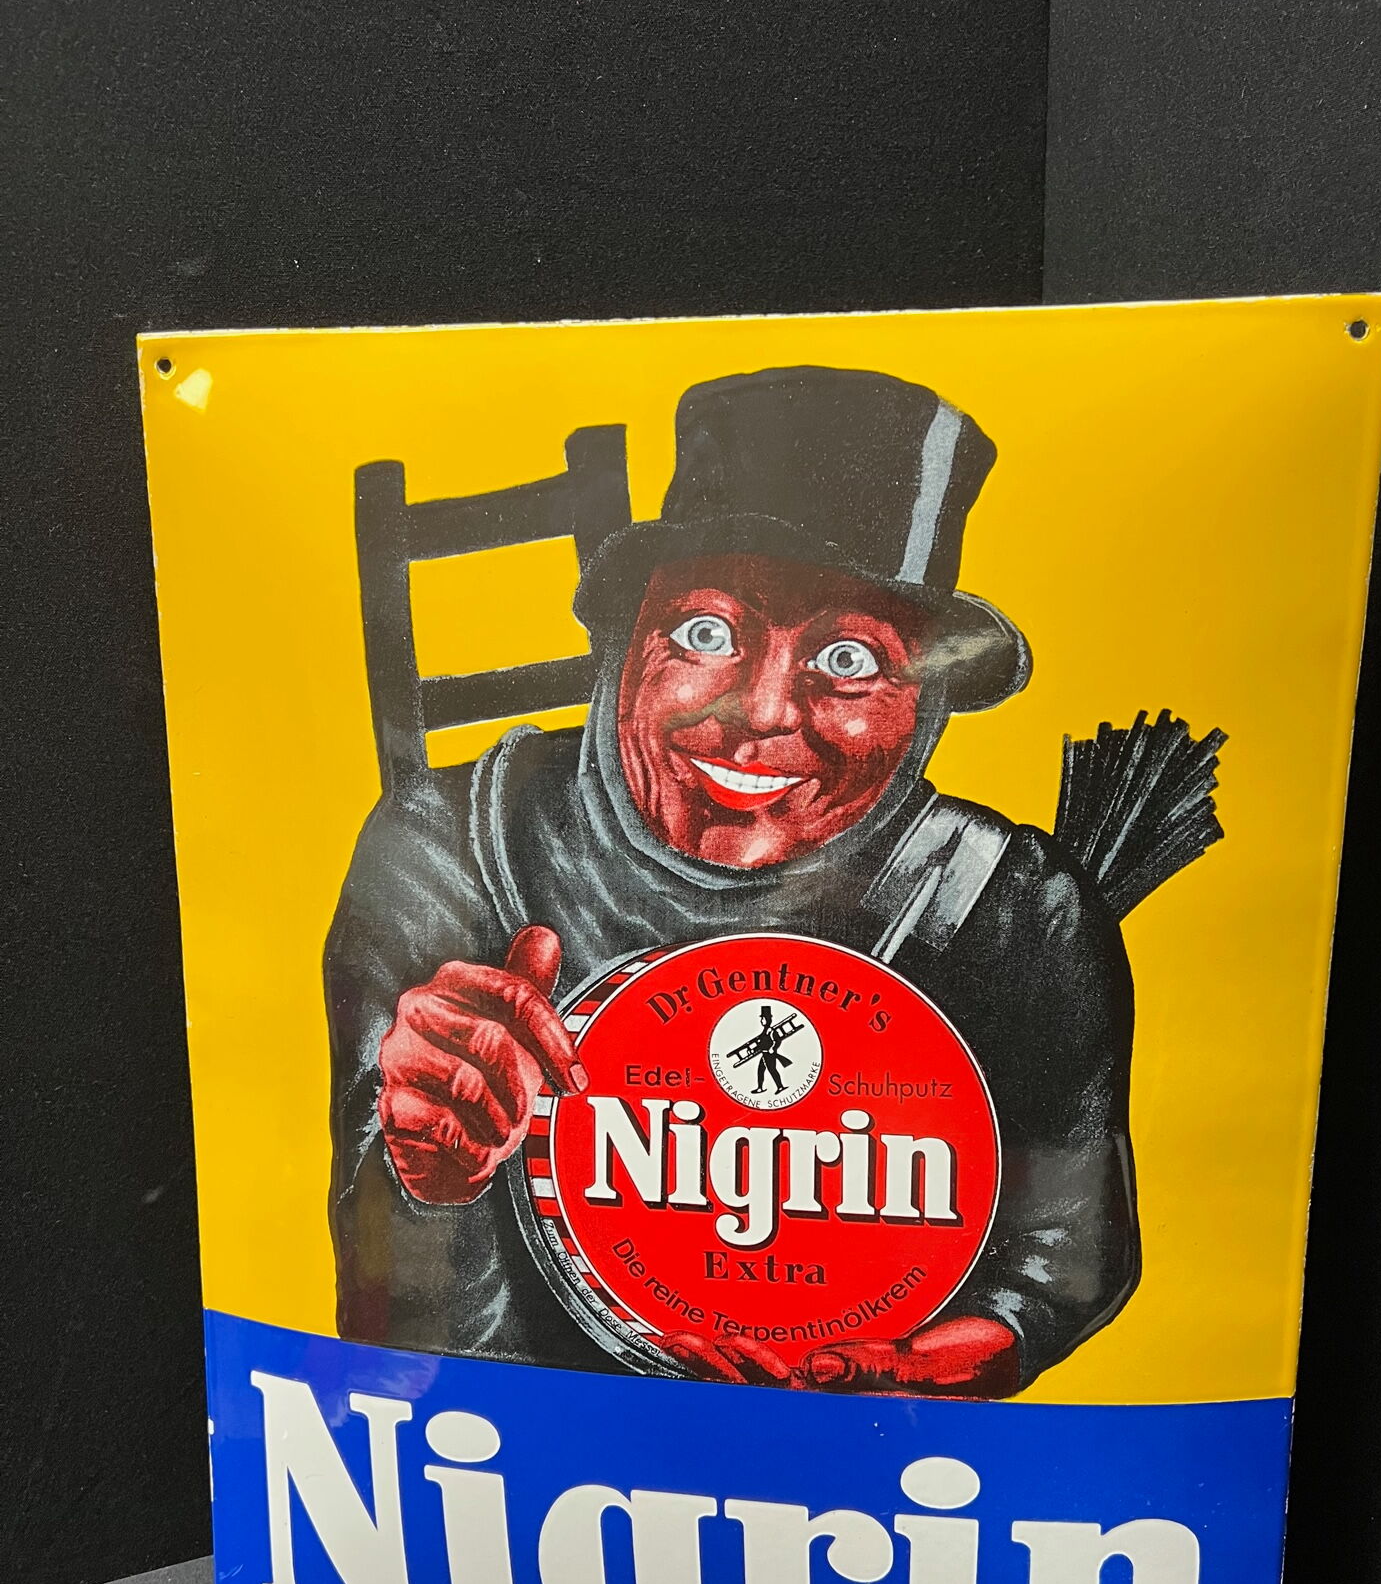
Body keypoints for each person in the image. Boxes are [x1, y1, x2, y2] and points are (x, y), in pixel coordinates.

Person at [325, 367, 1140, 1397]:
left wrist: (941, 1361)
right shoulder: (451, 848)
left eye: (849, 658)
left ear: (928, 702)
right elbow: (382, 1326)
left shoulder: (1010, 908)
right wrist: (424, 1180)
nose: (761, 713)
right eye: (706, 632)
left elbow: (1069, 1251)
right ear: (625, 641)